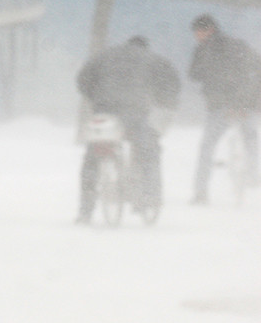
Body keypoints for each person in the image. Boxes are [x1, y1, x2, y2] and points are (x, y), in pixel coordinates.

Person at [75, 35, 180, 223]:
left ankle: (85, 210)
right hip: (134, 112)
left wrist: (95, 97)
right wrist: (163, 101)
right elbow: (171, 83)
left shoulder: (104, 55)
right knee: (149, 149)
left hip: (104, 110)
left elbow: (83, 79)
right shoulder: (152, 59)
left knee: (92, 156)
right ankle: (150, 196)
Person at [188, 13, 261, 204]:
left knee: (207, 148)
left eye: (197, 32)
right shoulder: (240, 45)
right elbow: (257, 68)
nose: (196, 36)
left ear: (208, 30)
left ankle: (200, 192)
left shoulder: (204, 49)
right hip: (247, 103)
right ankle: (253, 175)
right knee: (251, 138)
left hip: (221, 105)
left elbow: (194, 74)